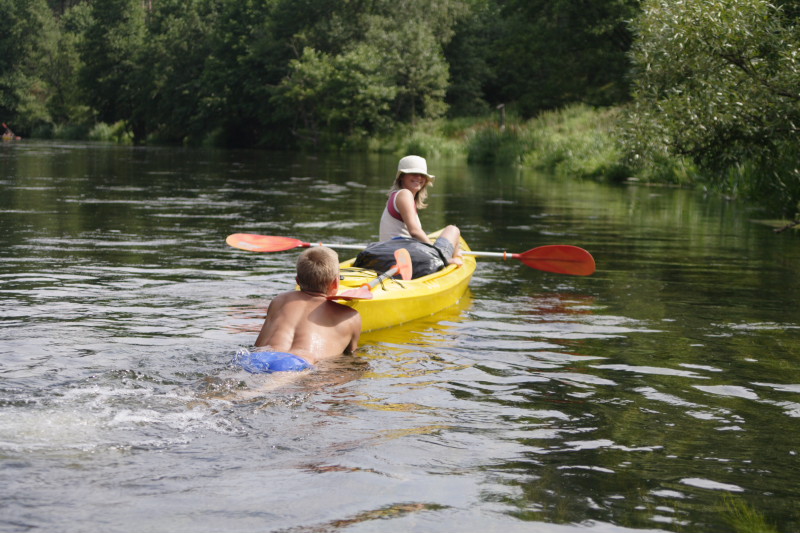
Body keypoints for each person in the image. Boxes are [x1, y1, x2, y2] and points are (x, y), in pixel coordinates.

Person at [238, 246, 361, 373]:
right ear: (335, 283)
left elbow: (257, 345)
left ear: (297, 281)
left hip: (258, 357)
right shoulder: (351, 316)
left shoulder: (279, 300)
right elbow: (351, 356)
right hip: (299, 362)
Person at [355, 155, 461, 278]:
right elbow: (414, 231)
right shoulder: (404, 194)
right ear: (402, 177)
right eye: (414, 173)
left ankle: (456, 255)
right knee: (453, 230)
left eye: (422, 175)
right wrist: (439, 255)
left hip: (392, 257)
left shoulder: (397, 196)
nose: (419, 177)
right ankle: (455, 261)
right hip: (404, 257)